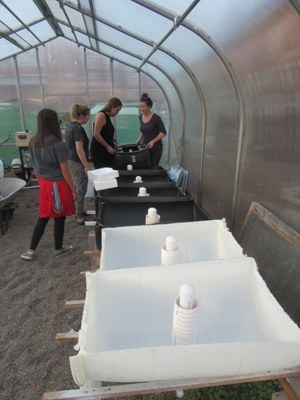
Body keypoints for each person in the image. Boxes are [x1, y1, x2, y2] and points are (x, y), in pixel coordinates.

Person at [20, 109, 77, 261]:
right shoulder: (58, 144)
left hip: (44, 184)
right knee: (59, 217)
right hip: (57, 185)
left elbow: (34, 167)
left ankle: (31, 250)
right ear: (54, 123)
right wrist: (73, 189)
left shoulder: (32, 142)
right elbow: (65, 171)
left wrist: (41, 180)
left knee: (43, 216)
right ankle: (58, 249)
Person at [65, 104, 90, 225]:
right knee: (81, 188)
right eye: (87, 116)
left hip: (72, 160)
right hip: (77, 162)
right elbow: (79, 149)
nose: (88, 119)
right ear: (81, 115)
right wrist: (86, 165)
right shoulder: (77, 129)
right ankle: (79, 215)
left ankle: (80, 210)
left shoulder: (70, 126)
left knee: (81, 187)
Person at [90, 97, 123, 169]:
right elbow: (96, 133)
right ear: (111, 107)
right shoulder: (101, 115)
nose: (118, 113)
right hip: (99, 151)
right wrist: (108, 147)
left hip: (106, 150)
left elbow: (105, 135)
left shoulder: (107, 117)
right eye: (117, 110)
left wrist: (113, 144)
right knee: (104, 173)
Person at [136, 93, 166, 167]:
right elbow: (144, 130)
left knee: (153, 167)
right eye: (140, 107)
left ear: (149, 107)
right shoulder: (140, 117)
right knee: (145, 166)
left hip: (155, 147)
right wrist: (139, 140)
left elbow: (163, 132)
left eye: (143, 107)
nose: (141, 109)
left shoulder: (156, 118)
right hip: (145, 147)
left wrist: (153, 141)